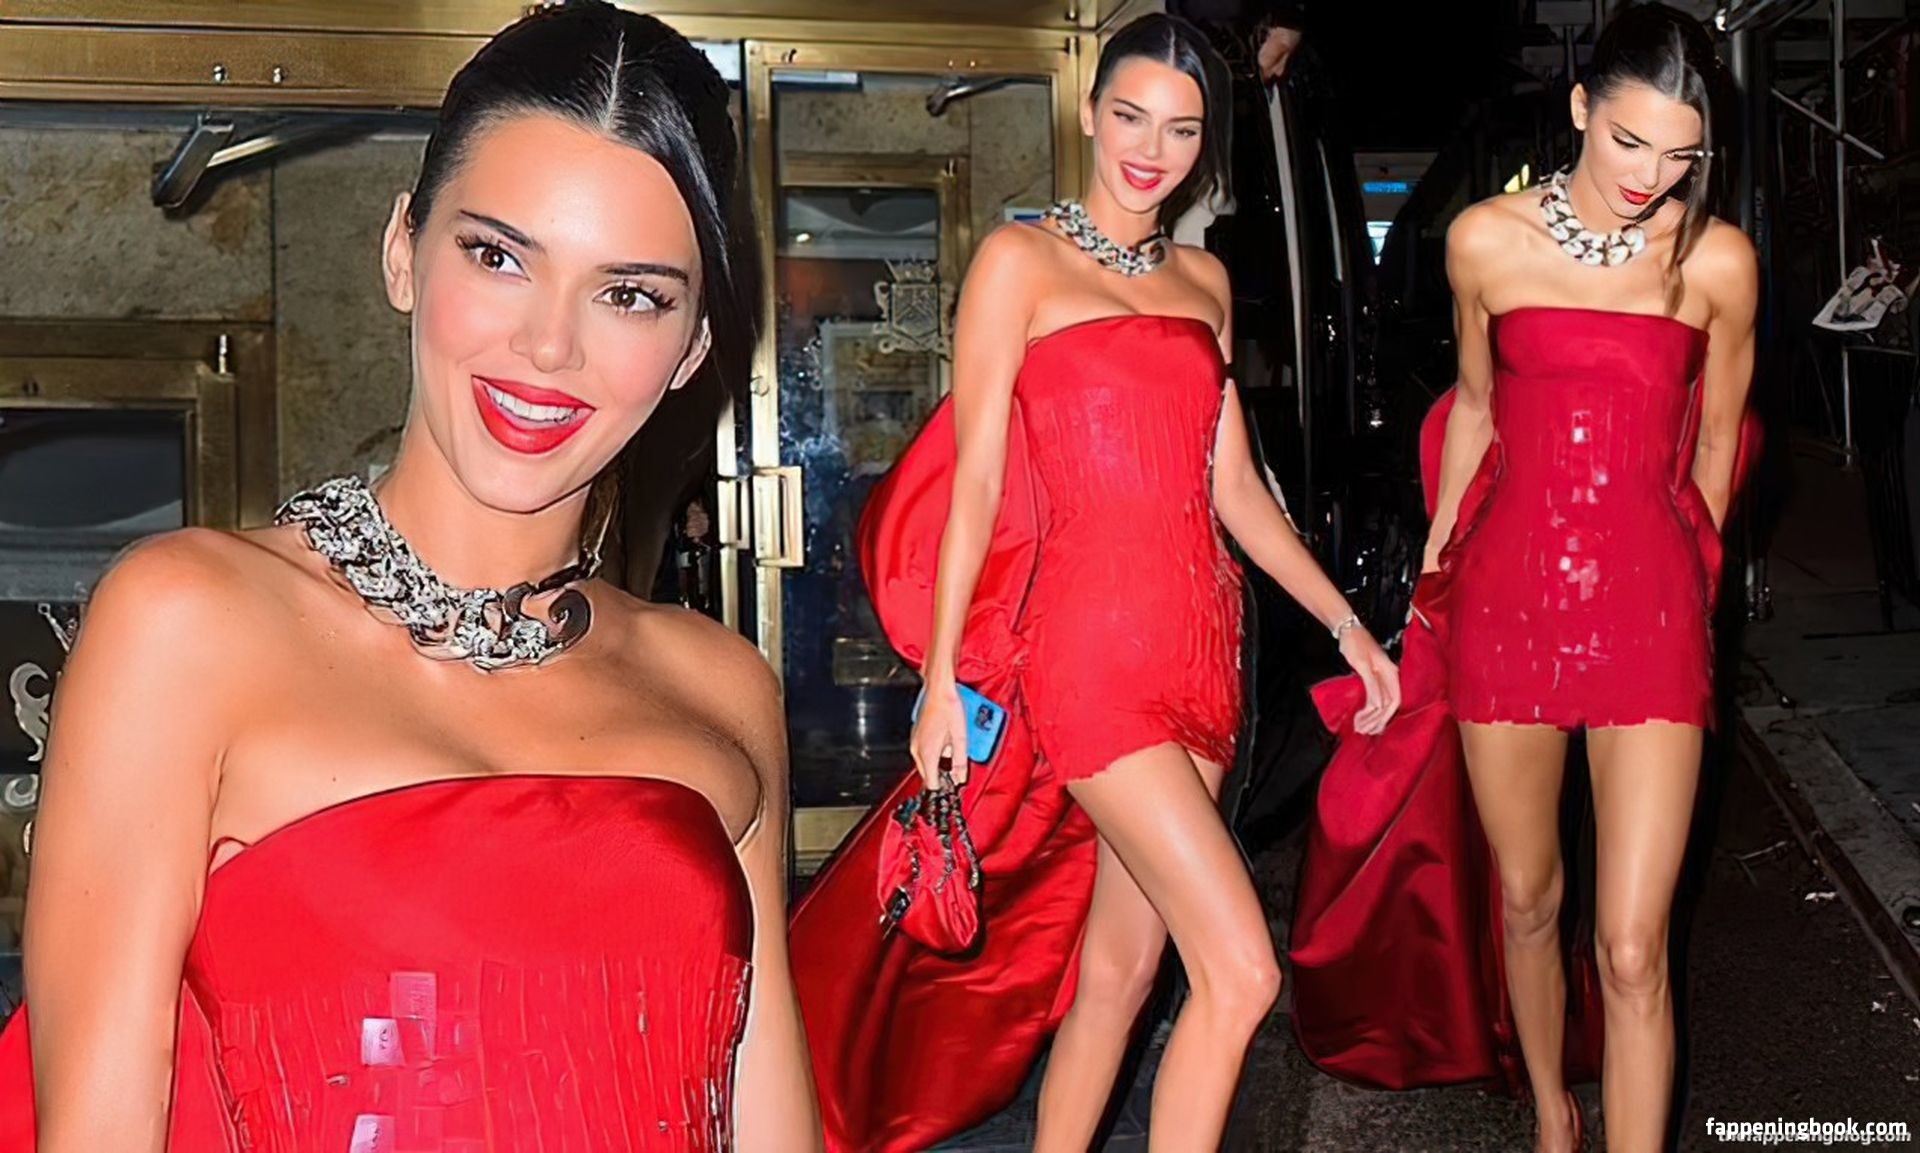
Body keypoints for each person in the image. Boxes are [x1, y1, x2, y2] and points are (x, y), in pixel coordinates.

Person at [0, 3, 820, 1149]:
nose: (548, 346)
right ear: (402, 250)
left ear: (690, 348)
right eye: (499, 256)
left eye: (630, 293)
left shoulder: (721, 685)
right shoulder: (187, 624)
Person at [789, 14, 1400, 1152]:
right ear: (1088, 113)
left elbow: (1234, 489)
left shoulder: (1206, 283)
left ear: (1207, 145)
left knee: (1119, 976)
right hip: (1089, 661)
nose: (1151, 150)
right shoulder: (1018, 263)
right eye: (1130, 116)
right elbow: (977, 482)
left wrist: (1347, 626)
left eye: (1182, 129)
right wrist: (937, 680)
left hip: (1203, 652)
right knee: (1241, 970)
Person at [1295, 6, 1757, 1153]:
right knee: (1530, 897)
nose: (1651, 175)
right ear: (1579, 108)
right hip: (1508, 602)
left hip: (1650, 613)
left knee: (1636, 945)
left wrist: (1690, 585)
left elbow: (1717, 444)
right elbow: (1476, 412)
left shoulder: (1716, 262)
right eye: (1629, 140)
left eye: (1681, 153)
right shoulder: (1485, 243)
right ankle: (1552, 1110)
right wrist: (1430, 588)